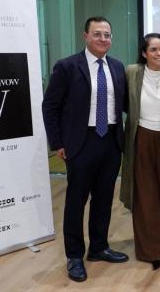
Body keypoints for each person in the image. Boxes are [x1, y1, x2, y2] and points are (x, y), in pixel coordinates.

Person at [42, 16, 129, 282]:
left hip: (111, 141)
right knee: (76, 202)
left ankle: (99, 247)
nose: (104, 39)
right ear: (85, 36)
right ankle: (75, 256)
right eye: (98, 34)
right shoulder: (67, 66)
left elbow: (124, 104)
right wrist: (57, 143)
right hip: (81, 143)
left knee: (103, 199)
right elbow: (51, 107)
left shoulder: (117, 67)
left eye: (107, 35)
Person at [119, 33, 160, 271]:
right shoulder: (132, 72)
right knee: (145, 196)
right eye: (154, 50)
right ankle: (152, 250)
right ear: (144, 53)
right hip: (140, 139)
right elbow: (125, 104)